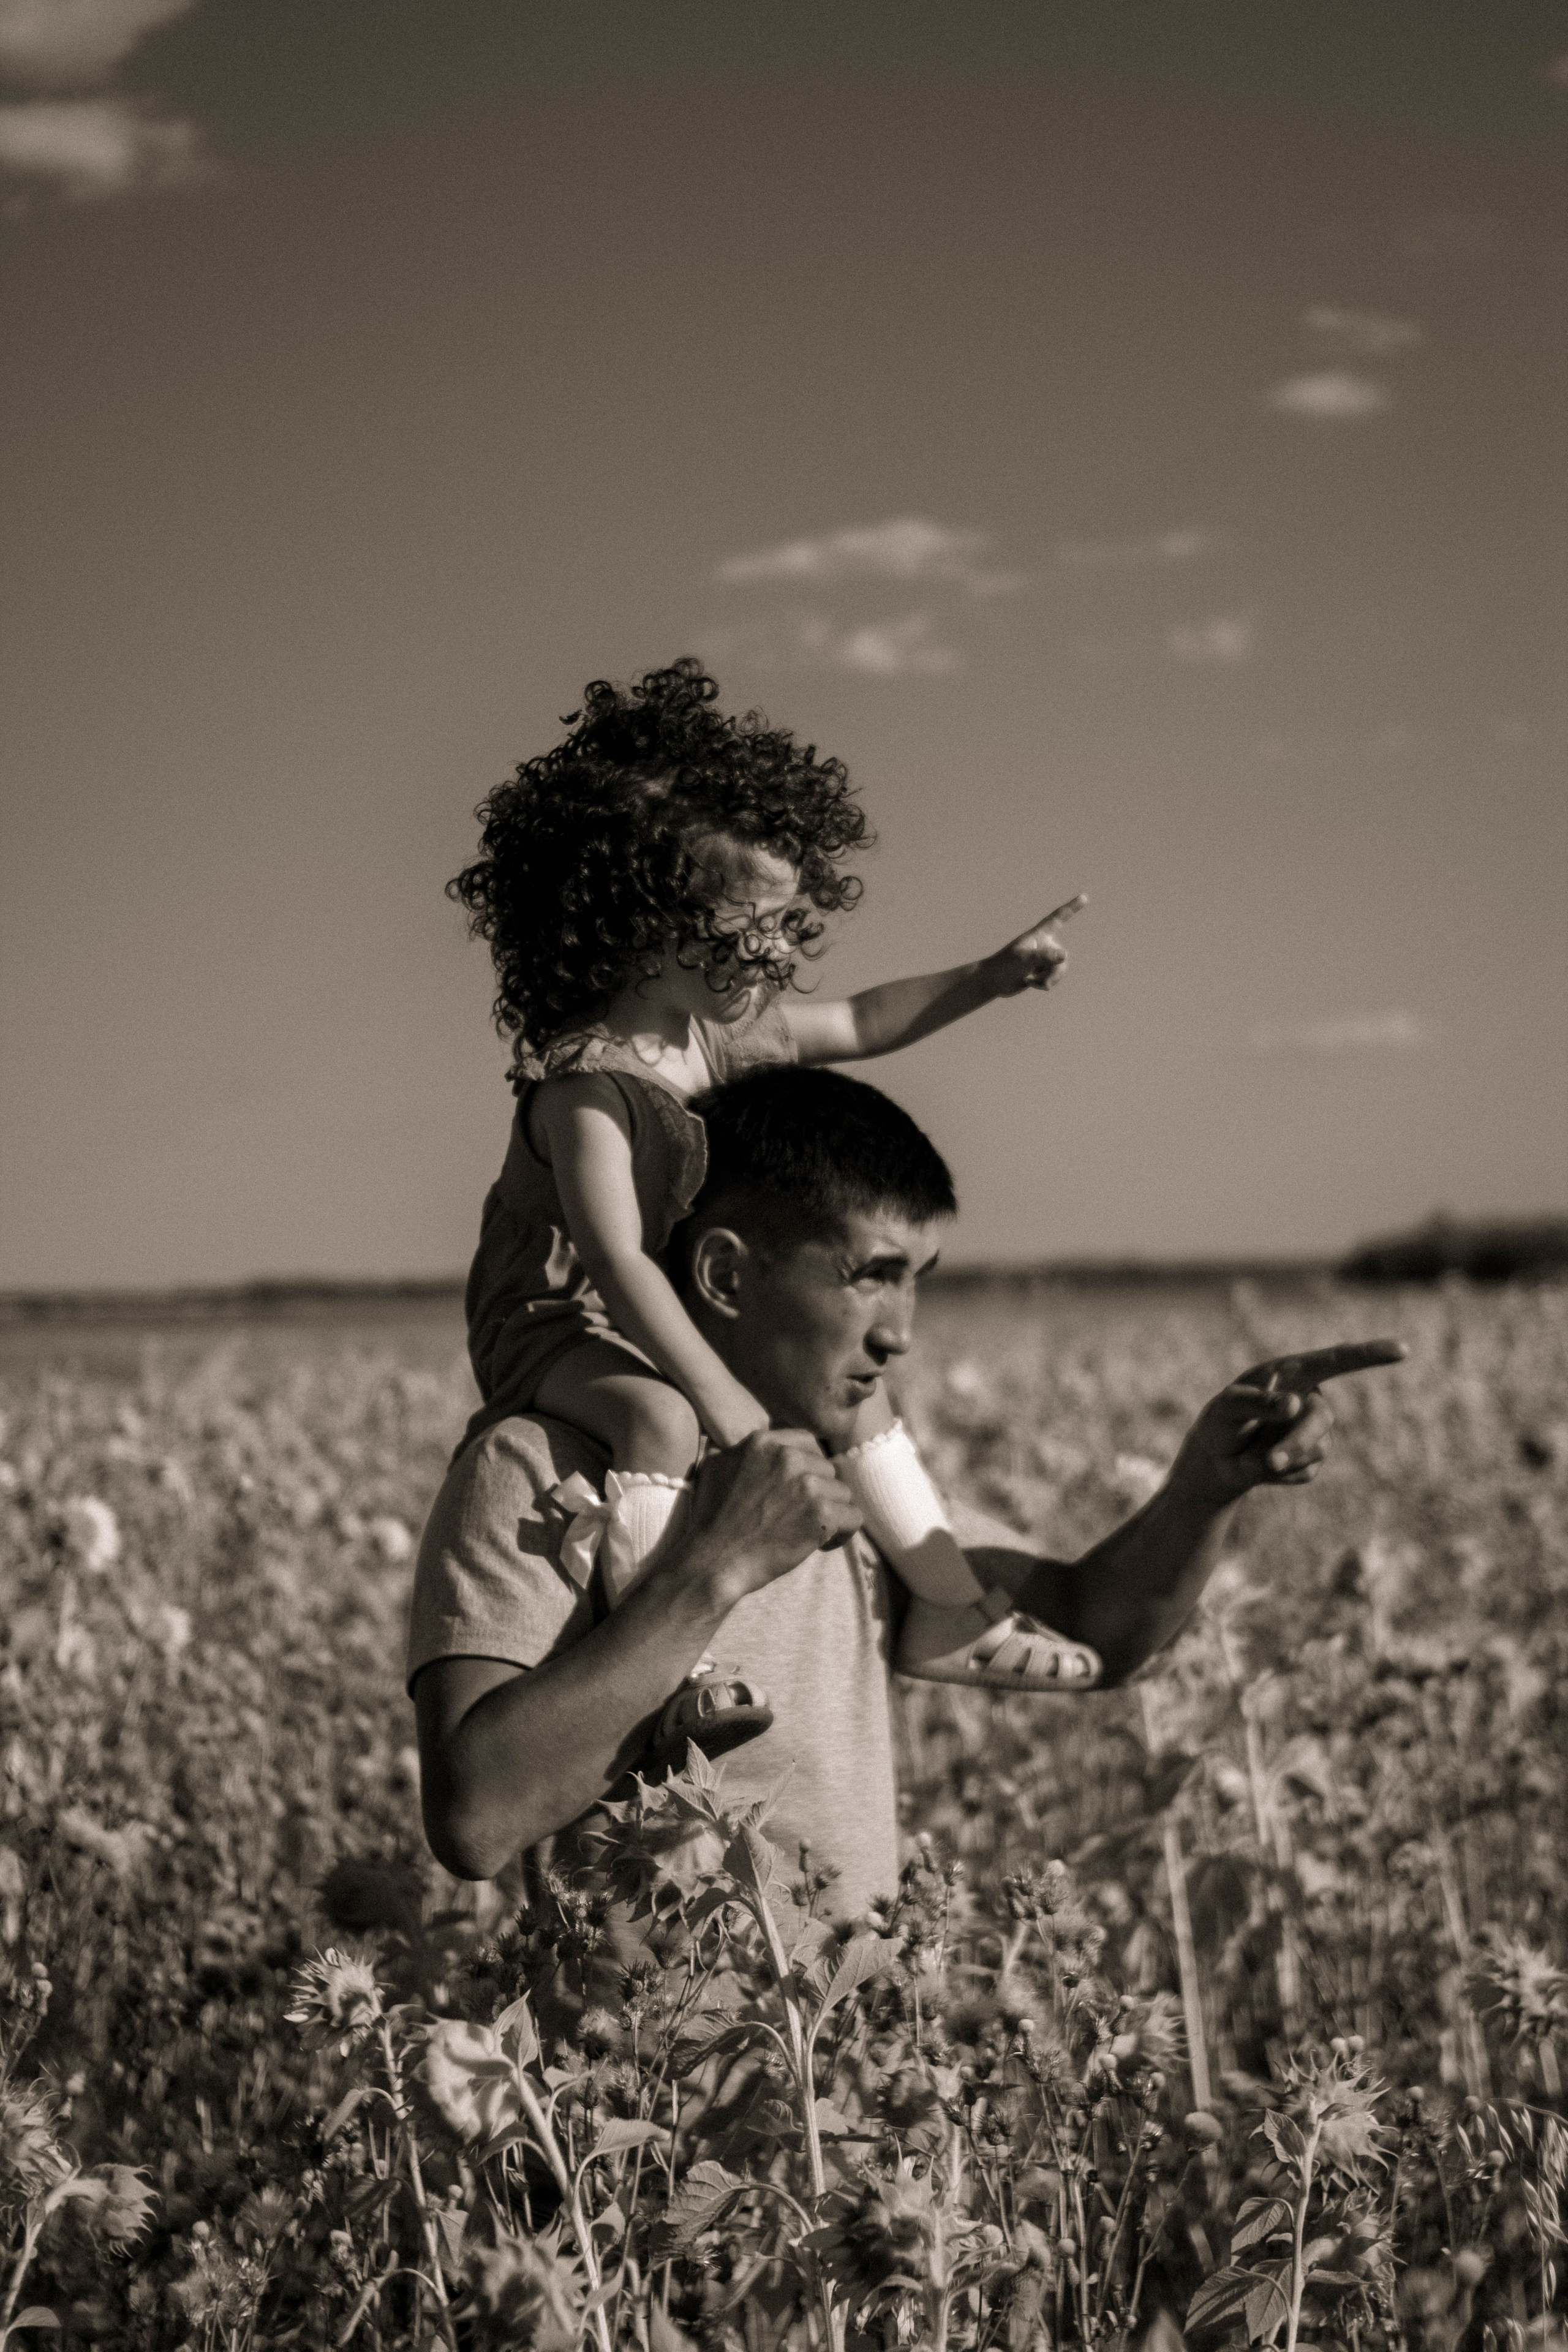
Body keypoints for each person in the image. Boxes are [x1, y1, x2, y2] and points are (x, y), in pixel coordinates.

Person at [409, 1065, 1404, 1923]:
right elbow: (477, 1819)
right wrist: (713, 1569)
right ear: (722, 1274)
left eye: (919, 1277)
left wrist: (1206, 1487)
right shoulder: (539, 1466)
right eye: (872, 1276)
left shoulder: (853, 1470)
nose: (902, 1333)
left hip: (853, 2099)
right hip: (639, 2117)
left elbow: (1092, 1637)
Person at [447, 655, 1090, 1761]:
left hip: (667, 1308)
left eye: (790, 928)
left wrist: (986, 977)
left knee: (855, 1402)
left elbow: (870, 1022)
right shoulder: (587, 1090)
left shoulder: (727, 1035)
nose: (779, 956)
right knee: (660, 1421)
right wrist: (726, 1413)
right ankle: (676, 1677)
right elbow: (616, 1264)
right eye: (751, 930)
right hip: (553, 1323)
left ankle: (946, 1607)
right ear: (641, 925)